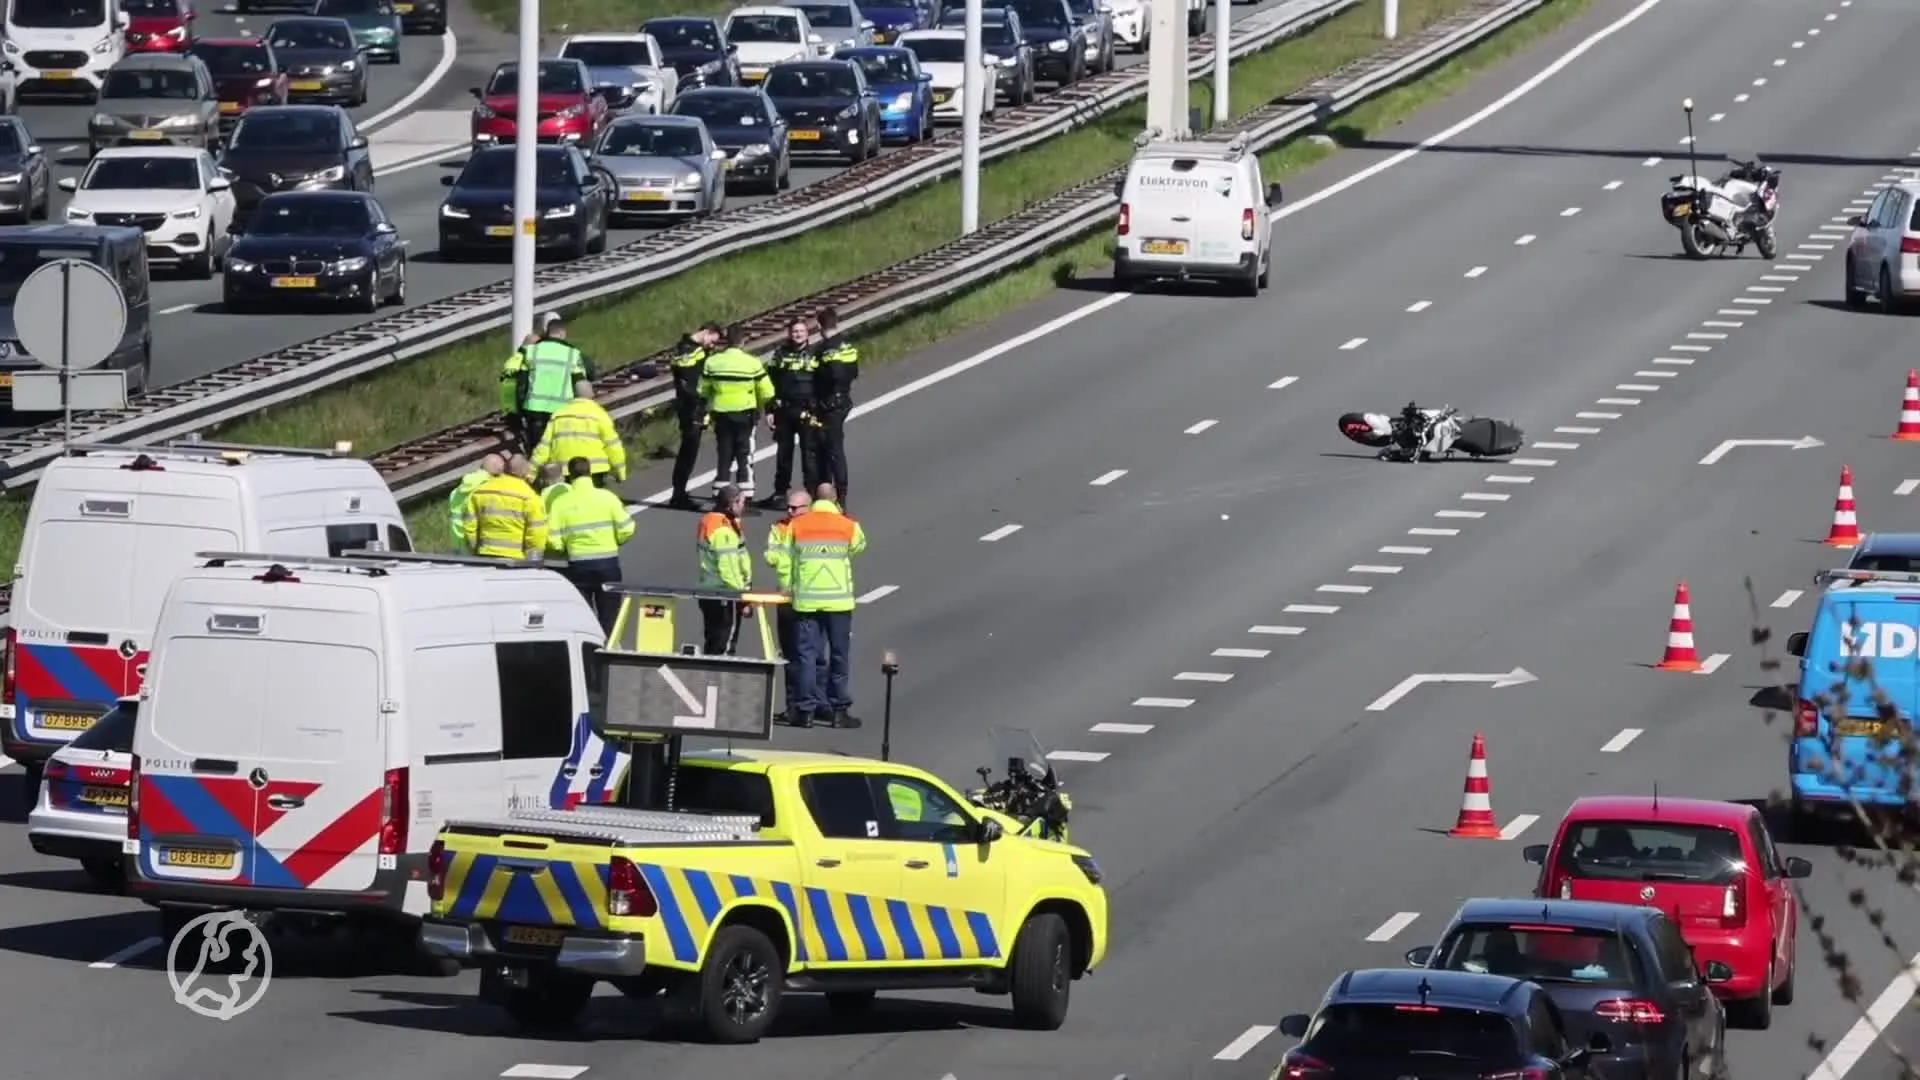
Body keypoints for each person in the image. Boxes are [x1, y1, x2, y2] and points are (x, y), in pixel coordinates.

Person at [780, 482, 865, 728]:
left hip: (807, 601)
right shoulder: (848, 524)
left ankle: (805, 711)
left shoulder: (797, 524)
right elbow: (859, 546)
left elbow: (787, 556)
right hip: (838, 601)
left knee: (806, 655)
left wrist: (789, 588)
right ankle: (839, 710)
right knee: (838, 656)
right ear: (835, 498)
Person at [547, 456, 635, 631]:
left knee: (583, 613)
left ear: (569, 475)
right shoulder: (607, 497)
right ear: (590, 472)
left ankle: (589, 649)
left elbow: (554, 540)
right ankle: (609, 647)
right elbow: (627, 528)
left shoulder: (560, 503)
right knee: (609, 612)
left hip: (578, 565)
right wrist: (616, 542)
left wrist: (565, 549)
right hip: (608, 563)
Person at [698, 324, 775, 499]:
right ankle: (745, 495)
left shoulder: (712, 362)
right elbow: (768, 391)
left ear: (726, 341)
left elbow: (702, 389)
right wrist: (758, 403)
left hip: (721, 414)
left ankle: (720, 494)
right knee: (744, 455)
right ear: (743, 341)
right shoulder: (752, 363)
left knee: (724, 454)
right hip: (745, 414)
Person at [764, 488, 818, 724]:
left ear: (809, 507)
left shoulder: (818, 528)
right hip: (786, 597)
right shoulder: (780, 527)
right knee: (790, 655)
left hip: (811, 598)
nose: (789, 511)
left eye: (795, 508)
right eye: (788, 507)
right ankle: (793, 705)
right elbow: (771, 556)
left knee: (811, 655)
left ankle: (814, 704)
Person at [500, 316, 592, 451]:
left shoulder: (531, 351)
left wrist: (517, 413)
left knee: (537, 453)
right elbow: (586, 377)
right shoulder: (572, 354)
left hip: (534, 411)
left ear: (546, 332)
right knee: (559, 451)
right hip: (562, 412)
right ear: (563, 333)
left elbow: (521, 383)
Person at [759, 318, 820, 510]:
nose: (798, 335)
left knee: (809, 454)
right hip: (784, 411)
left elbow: (824, 382)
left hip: (808, 411)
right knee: (783, 454)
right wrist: (769, 410)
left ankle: (812, 493)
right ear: (789, 334)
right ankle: (779, 493)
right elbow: (769, 384)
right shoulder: (780, 354)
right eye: (794, 331)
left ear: (807, 333)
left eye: (801, 331)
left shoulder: (816, 353)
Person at [667, 323, 721, 510]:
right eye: (713, 341)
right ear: (707, 333)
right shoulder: (689, 350)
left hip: (693, 406)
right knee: (688, 451)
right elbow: (688, 381)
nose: (713, 346)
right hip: (690, 407)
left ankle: (680, 492)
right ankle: (678, 494)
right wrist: (698, 405)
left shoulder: (690, 349)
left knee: (690, 451)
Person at [532, 380, 627, 486]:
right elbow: (613, 446)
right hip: (595, 469)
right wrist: (620, 472)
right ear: (592, 394)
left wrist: (531, 472)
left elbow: (544, 447)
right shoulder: (599, 414)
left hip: (565, 469)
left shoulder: (559, 415)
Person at [697, 484, 752, 655]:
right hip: (725, 594)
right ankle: (717, 681)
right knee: (724, 647)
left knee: (713, 641)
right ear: (732, 503)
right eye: (742, 502)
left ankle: (707, 678)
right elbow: (728, 568)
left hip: (708, 591)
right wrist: (742, 597)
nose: (744, 506)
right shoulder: (723, 530)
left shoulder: (709, 520)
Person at [811, 307, 858, 505]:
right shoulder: (847, 344)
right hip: (843, 400)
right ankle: (837, 493)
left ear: (820, 325)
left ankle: (837, 495)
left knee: (831, 450)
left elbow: (832, 374)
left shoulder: (825, 349)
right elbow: (853, 372)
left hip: (829, 404)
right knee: (833, 448)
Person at [463, 453, 549, 559]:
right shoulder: (530, 497)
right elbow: (537, 534)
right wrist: (533, 560)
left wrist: (475, 549)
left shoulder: (480, 492)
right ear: (525, 472)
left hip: (485, 554)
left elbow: (469, 526)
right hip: (515, 559)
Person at [448, 453, 505, 551]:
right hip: (474, 543)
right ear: (497, 473)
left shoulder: (457, 490)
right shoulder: (487, 489)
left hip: (457, 541)